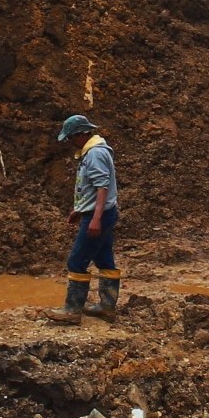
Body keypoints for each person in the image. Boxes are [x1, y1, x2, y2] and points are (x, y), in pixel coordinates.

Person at [54, 114, 120, 320]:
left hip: (99, 215)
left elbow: (102, 187)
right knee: (104, 259)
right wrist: (80, 210)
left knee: (76, 261)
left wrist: (95, 219)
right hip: (102, 213)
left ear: (82, 134)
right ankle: (107, 307)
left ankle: (72, 310)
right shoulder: (93, 151)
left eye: (71, 138)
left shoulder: (94, 154)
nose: (69, 142)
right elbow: (93, 188)